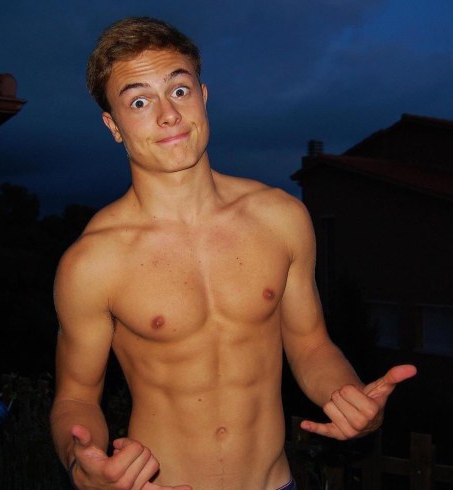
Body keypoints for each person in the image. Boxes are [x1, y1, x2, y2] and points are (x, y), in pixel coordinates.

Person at [50, 16, 416, 490]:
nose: (168, 115)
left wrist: (350, 399)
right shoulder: (92, 262)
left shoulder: (281, 218)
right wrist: (82, 466)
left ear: (203, 95)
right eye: (139, 101)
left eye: (179, 90)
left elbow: (310, 345)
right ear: (113, 125)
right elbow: (76, 398)